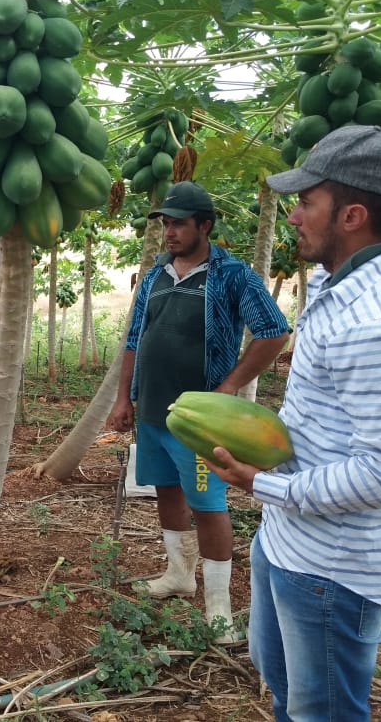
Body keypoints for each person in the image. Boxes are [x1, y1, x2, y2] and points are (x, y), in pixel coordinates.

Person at [204, 125, 381, 720]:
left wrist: (261, 484)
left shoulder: (377, 325)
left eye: (307, 202)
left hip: (332, 568)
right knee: (287, 693)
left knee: (324, 712)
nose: (292, 216)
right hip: (291, 536)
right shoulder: (343, 278)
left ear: (352, 215)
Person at [107, 181, 291, 642]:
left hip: (201, 423)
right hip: (153, 410)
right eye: (165, 223)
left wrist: (229, 387)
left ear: (205, 225)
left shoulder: (232, 275)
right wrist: (122, 397)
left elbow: (273, 331)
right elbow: (134, 338)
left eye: (179, 224)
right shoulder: (154, 275)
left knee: (208, 504)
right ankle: (178, 575)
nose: (169, 232)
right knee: (167, 491)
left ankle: (220, 610)